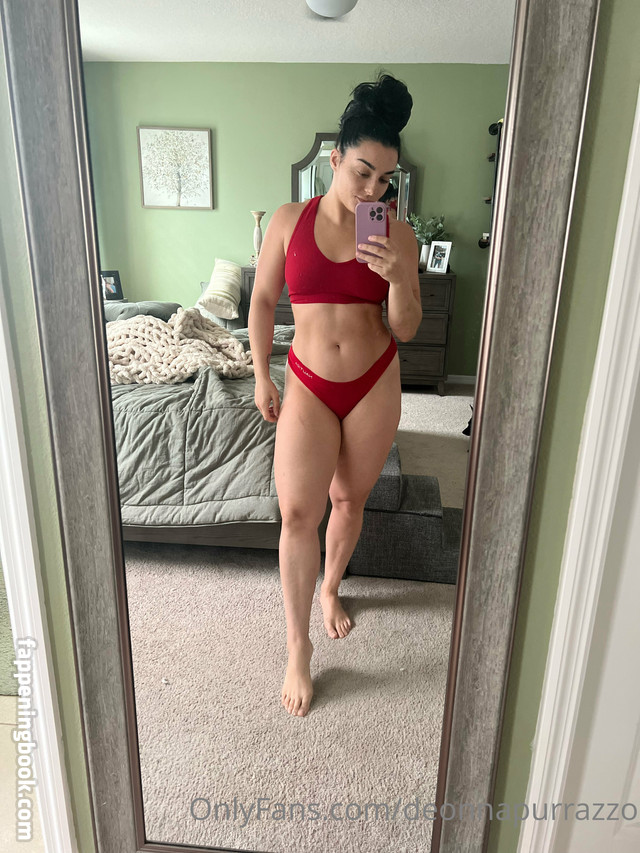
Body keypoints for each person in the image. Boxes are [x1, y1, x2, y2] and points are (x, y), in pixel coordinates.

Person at [248, 73, 422, 718]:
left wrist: (399, 276)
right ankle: (298, 647)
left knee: (349, 500)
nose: (372, 190)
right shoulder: (288, 221)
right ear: (334, 159)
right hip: (309, 382)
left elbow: (406, 327)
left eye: (385, 180)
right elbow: (262, 301)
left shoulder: (395, 234)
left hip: (374, 379)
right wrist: (261, 374)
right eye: (362, 172)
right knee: (299, 514)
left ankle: (330, 587)